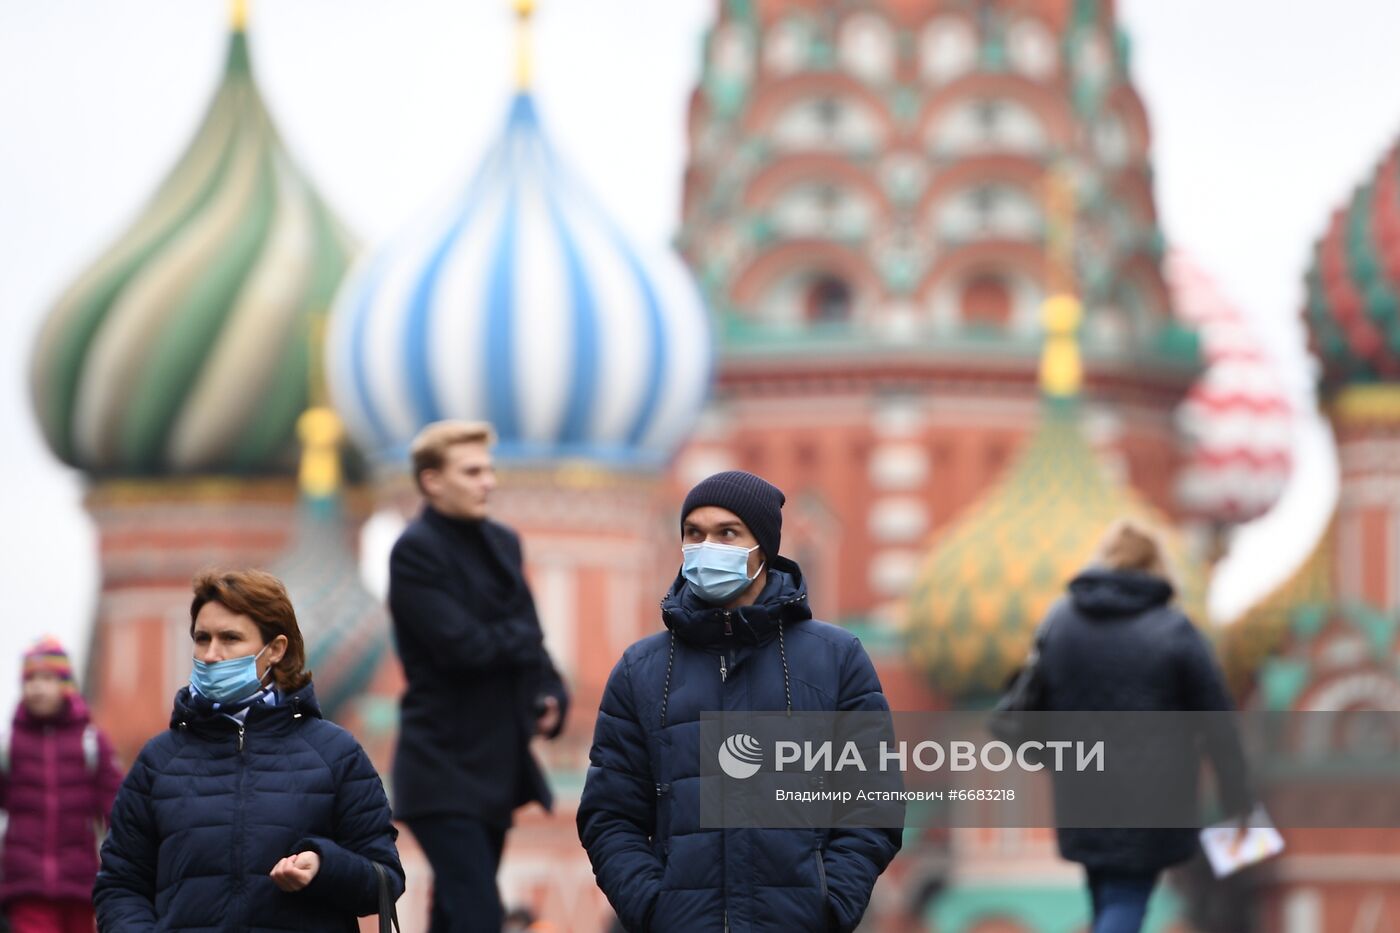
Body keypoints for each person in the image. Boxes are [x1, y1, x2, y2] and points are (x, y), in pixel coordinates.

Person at [577, 470, 902, 932]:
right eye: (694, 533)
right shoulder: (643, 669)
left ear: (763, 547)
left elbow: (872, 800)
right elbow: (610, 815)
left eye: (727, 532)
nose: (707, 546)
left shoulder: (834, 659)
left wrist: (829, 905)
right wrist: (652, 908)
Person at [93, 569, 404, 930]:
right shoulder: (160, 762)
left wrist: (324, 867)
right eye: (201, 638)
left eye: (230, 638)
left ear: (275, 649)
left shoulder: (335, 754)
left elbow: (385, 878)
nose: (211, 655)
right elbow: (120, 883)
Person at [387, 420, 569, 933]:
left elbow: (531, 639)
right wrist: (518, 640)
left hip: (495, 767)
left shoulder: (502, 543)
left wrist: (552, 694)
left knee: (453, 913)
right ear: (431, 481)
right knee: (479, 915)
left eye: (488, 469)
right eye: (471, 471)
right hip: (441, 768)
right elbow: (460, 648)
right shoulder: (415, 551)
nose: (487, 481)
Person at [1036, 519, 1252, 933]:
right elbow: (1219, 726)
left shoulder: (1061, 623)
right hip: (1153, 800)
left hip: (1082, 791)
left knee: (1106, 890)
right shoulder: (1174, 630)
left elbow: (1028, 713)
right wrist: (1237, 801)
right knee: (1126, 896)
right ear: (1157, 568)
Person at [1, 637, 122, 933]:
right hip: (25, 882)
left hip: (80, 880)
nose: (37, 687)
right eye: (30, 679)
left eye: (47, 678)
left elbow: (115, 809)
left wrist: (122, 867)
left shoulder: (91, 743)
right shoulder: (10, 745)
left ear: (66, 685)